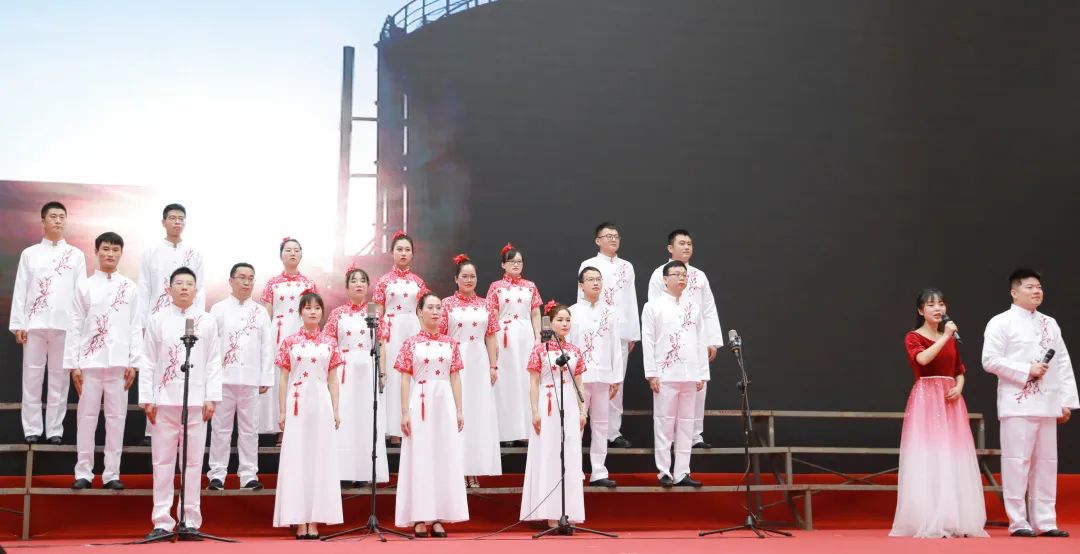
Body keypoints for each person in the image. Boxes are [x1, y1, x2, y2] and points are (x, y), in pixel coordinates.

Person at [982, 269, 1078, 537]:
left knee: (1046, 463)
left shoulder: (1050, 323)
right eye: (1030, 287)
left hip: (1047, 404)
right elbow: (989, 360)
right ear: (1014, 292)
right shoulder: (1000, 322)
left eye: (1039, 287)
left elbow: (1062, 362)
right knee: (1017, 461)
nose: (1037, 291)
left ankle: (1045, 522)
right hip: (1017, 404)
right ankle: (1018, 521)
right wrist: (1027, 370)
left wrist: (1065, 401)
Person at [889, 288, 988, 538]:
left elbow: (959, 369)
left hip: (950, 400)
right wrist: (946, 336)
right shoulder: (913, 336)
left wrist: (959, 386)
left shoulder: (950, 338)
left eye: (941, 304)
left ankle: (954, 517)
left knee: (952, 455)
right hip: (927, 399)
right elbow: (922, 359)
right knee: (929, 454)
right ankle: (929, 517)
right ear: (920, 310)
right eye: (931, 305)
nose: (938, 309)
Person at [139, 267, 222, 541]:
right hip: (164, 401)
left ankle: (190, 519)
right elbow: (148, 360)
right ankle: (162, 521)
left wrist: (211, 397)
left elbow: (213, 361)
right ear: (169, 289)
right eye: (179, 283)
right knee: (162, 461)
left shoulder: (207, 321)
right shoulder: (158, 319)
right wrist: (147, 398)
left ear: (196, 290)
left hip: (196, 401)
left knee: (193, 462)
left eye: (189, 283)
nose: (184, 287)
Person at [65, 232, 140, 490]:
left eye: (115, 249)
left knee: (116, 419)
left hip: (119, 363)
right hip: (90, 362)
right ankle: (83, 472)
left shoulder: (130, 288)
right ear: (96, 251)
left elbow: (135, 326)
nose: (110, 254)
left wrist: (134, 363)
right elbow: (75, 326)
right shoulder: (84, 286)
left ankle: (111, 474)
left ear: (121, 254)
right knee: (86, 418)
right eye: (106, 249)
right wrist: (74, 365)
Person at [11, 201, 87, 444]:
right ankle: (32, 428)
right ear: (43, 221)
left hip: (65, 326)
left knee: (59, 379)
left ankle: (55, 430)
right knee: (31, 377)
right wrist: (19, 324)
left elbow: (81, 294)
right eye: (53, 216)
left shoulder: (76, 255)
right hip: (34, 323)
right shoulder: (30, 254)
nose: (58, 220)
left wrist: (80, 329)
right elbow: (21, 290)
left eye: (62, 216)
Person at [394, 293, 469, 538]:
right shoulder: (411, 343)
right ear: (420, 312)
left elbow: (455, 377)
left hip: (444, 401)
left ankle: (438, 516)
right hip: (421, 400)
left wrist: (459, 409)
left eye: (439, 308)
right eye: (431, 307)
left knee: (442, 455)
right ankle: (419, 515)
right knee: (420, 455)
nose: (436, 312)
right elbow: (405, 379)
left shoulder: (451, 343)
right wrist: (404, 412)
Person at [273, 292, 344, 539]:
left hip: (321, 401)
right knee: (297, 457)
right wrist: (282, 410)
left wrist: (336, 409)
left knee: (319, 457)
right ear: (300, 312)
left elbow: (333, 379)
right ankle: (298, 517)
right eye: (308, 308)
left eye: (317, 308)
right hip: (297, 401)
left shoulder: (330, 342)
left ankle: (314, 518)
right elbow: (283, 378)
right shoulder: (290, 342)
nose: (313, 312)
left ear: (322, 312)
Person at [136, 203, 205, 446]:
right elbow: (144, 289)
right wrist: (143, 323)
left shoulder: (194, 254)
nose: (177, 222)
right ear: (163, 222)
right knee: (157, 370)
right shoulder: (151, 252)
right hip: (158, 320)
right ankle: (151, 427)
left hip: (187, 320)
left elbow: (200, 288)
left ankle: (183, 426)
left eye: (181, 218)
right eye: (172, 218)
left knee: (183, 368)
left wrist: (196, 320)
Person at [647, 229, 723, 449]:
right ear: (670, 248)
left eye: (689, 243)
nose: (687, 247)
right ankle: (669, 438)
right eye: (682, 243)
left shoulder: (699, 275)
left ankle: (694, 436)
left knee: (698, 389)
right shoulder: (659, 274)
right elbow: (654, 309)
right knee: (668, 396)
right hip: (669, 343)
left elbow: (708, 308)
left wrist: (711, 340)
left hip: (694, 341)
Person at [206, 263, 274, 491]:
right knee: (220, 429)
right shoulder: (218, 310)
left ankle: (248, 475)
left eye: (250, 278)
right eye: (242, 277)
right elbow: (210, 347)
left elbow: (267, 347)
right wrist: (211, 378)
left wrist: (265, 377)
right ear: (231, 280)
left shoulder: (260, 312)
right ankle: (217, 475)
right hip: (223, 380)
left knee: (249, 430)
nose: (246, 282)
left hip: (251, 379)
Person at [520, 301, 587, 527]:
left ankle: (569, 510)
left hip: (569, 401)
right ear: (550, 322)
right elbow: (533, 382)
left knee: (570, 453)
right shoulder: (541, 349)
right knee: (549, 453)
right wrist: (534, 411)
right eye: (560, 320)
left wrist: (583, 409)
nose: (565, 323)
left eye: (568, 320)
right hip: (547, 400)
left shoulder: (575, 350)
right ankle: (550, 511)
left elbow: (579, 383)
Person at [641, 260, 708, 487]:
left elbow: (700, 341)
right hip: (665, 374)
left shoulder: (694, 307)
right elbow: (648, 341)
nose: (681, 278)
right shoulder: (653, 306)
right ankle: (664, 471)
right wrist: (652, 373)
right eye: (676, 274)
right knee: (664, 423)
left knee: (686, 424)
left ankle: (682, 472)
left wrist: (701, 373)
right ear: (665, 279)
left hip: (690, 374)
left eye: (684, 275)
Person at [323, 267, 388, 487]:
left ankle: (365, 471)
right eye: (354, 280)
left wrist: (382, 372)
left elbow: (381, 344)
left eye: (362, 280)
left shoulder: (374, 313)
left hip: (368, 370)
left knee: (366, 418)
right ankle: (342, 470)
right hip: (344, 370)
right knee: (346, 416)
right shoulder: (337, 314)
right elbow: (328, 344)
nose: (358, 284)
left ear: (368, 286)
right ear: (347, 286)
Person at [440, 254, 501, 487]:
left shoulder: (486, 304)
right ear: (456, 279)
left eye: (472, 276)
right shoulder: (446, 304)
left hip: (479, 361)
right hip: (456, 361)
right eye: (464, 276)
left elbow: (491, 336)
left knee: (478, 412)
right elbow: (441, 336)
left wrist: (493, 365)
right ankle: (458, 467)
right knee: (459, 409)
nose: (468, 280)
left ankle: (476, 467)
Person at [577, 222, 639, 448]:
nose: (613, 239)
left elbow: (631, 299)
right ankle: (582, 425)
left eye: (616, 236)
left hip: (619, 331)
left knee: (615, 381)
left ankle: (613, 431)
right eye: (608, 236)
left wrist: (631, 333)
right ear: (598, 240)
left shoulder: (627, 266)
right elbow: (581, 298)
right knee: (588, 380)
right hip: (592, 331)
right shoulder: (589, 265)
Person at [258, 237, 318, 442]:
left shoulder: (309, 283)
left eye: (296, 250)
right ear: (281, 255)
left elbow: (314, 311)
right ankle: (278, 426)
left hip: (301, 331)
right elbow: (267, 313)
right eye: (288, 250)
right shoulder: (272, 283)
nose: (292, 253)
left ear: (301, 255)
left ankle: (298, 425)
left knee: (299, 374)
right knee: (279, 376)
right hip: (278, 332)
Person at [372, 231, 428, 443]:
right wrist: (379, 335)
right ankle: (393, 430)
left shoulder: (418, 282)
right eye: (399, 249)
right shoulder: (383, 281)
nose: (403, 253)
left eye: (407, 250)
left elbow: (423, 311)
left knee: (412, 375)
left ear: (412, 254)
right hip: (391, 330)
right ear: (392, 252)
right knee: (393, 376)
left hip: (413, 327)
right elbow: (378, 310)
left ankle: (413, 425)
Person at [569, 267, 620, 487]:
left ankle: (599, 471)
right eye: (590, 279)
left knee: (601, 425)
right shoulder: (572, 312)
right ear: (581, 285)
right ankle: (574, 471)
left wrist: (616, 378)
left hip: (604, 376)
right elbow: (568, 347)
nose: (596, 283)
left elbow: (615, 346)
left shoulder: (610, 312)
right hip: (579, 378)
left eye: (598, 279)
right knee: (577, 424)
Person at [486, 243, 542, 445]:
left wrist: (538, 338)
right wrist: (494, 338)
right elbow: (492, 315)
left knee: (526, 380)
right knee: (505, 382)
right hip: (504, 336)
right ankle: (505, 433)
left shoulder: (530, 286)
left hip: (526, 336)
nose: (516, 265)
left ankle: (526, 431)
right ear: (503, 265)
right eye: (511, 261)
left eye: (519, 261)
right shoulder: (496, 287)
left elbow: (535, 312)